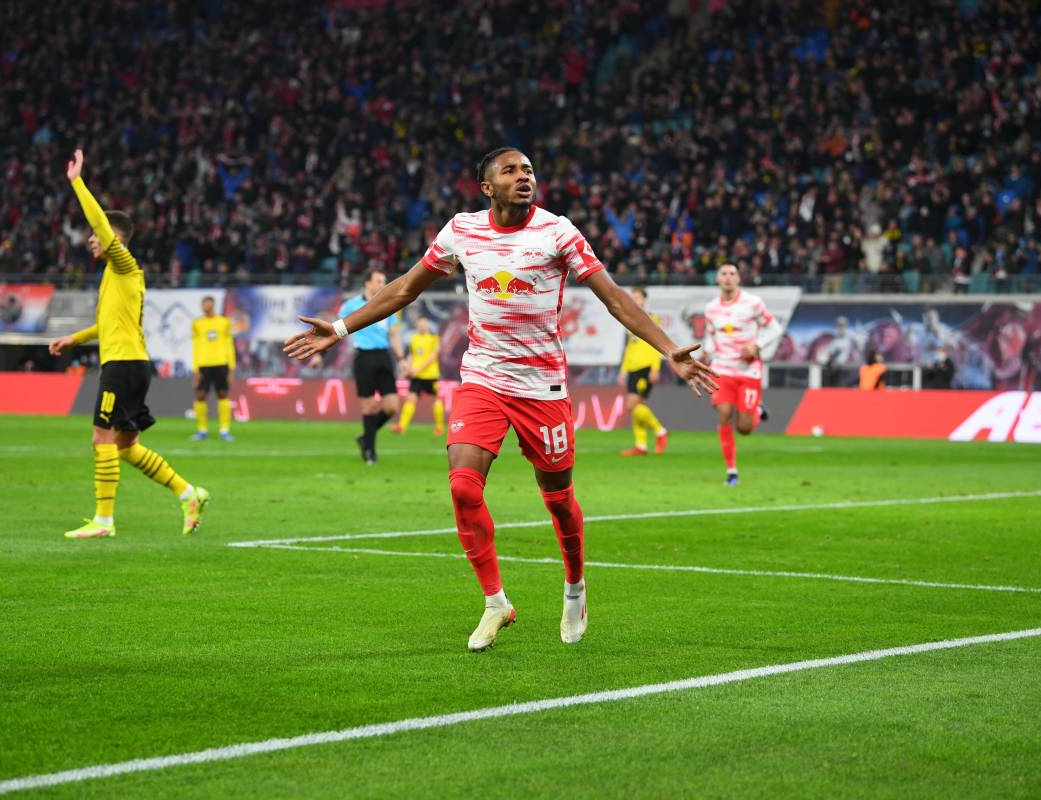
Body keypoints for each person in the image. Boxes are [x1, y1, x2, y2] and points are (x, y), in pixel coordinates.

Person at [284, 147, 717, 651]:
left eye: (529, 170)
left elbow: (614, 296)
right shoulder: (462, 230)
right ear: (487, 187)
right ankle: (496, 603)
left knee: (558, 501)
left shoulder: (558, 232)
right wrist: (339, 328)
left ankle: (575, 585)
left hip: (542, 387)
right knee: (464, 487)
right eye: (511, 171)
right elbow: (405, 289)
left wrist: (668, 350)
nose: (523, 177)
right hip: (484, 378)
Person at [48, 149, 209, 540]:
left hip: (122, 366)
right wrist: (75, 338)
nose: (90, 240)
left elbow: (99, 223)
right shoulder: (113, 277)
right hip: (132, 363)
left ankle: (103, 521)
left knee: (100, 438)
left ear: (113, 239)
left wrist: (77, 183)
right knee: (124, 445)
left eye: (96, 236)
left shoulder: (124, 264)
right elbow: (108, 325)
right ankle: (189, 493)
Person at [705, 263, 782, 487]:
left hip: (749, 370)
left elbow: (775, 328)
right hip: (722, 368)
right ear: (717, 279)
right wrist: (708, 350)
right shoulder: (711, 309)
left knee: (745, 428)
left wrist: (758, 345)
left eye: (733, 274)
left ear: (739, 279)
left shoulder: (753, 303)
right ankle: (732, 471)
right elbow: (712, 335)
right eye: (724, 274)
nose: (728, 277)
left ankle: (757, 409)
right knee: (724, 413)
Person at [339, 269, 405, 464]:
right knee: (368, 407)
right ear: (367, 283)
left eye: (384, 280)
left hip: (384, 356)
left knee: (392, 406)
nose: (382, 283)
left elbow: (393, 334)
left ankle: (365, 437)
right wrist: (321, 354)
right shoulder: (351, 305)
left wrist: (401, 358)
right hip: (364, 357)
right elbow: (337, 329)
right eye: (379, 280)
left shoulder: (389, 304)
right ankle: (370, 452)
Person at [618, 287, 669, 456]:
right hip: (632, 368)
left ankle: (660, 431)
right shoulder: (628, 321)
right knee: (637, 407)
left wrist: (655, 368)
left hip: (645, 368)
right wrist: (624, 370)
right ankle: (641, 445)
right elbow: (629, 348)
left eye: (637, 297)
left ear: (644, 300)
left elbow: (657, 344)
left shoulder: (652, 319)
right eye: (632, 297)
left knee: (632, 404)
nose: (634, 300)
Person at [190, 295, 235, 441]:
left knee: (222, 394)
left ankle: (224, 431)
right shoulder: (197, 324)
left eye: (208, 304)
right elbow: (195, 346)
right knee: (201, 395)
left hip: (221, 363)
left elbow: (229, 344)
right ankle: (202, 430)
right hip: (203, 364)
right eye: (203, 304)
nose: (205, 306)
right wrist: (195, 368)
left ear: (213, 305)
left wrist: (232, 366)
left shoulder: (224, 322)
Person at [394, 315, 445, 436]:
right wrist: (407, 369)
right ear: (417, 325)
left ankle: (439, 428)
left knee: (436, 400)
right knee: (410, 398)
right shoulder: (414, 338)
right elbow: (412, 355)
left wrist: (418, 369)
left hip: (430, 375)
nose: (422, 325)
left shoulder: (434, 339)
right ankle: (401, 427)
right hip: (416, 376)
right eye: (420, 323)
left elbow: (433, 357)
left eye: (424, 323)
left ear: (427, 325)